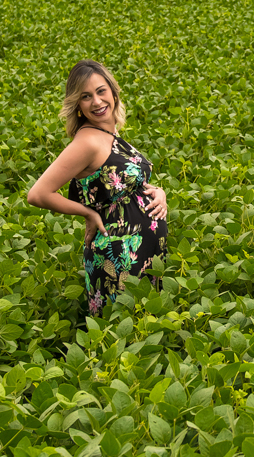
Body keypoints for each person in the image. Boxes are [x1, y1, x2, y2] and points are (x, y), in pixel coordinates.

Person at [27, 59, 168, 315]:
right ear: (77, 105)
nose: (97, 101)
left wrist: (158, 192)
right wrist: (88, 213)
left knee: (143, 329)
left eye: (101, 91)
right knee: (121, 333)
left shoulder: (109, 133)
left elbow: (122, 183)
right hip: (118, 257)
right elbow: (37, 194)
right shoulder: (87, 142)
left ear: (113, 92)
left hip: (144, 253)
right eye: (86, 96)